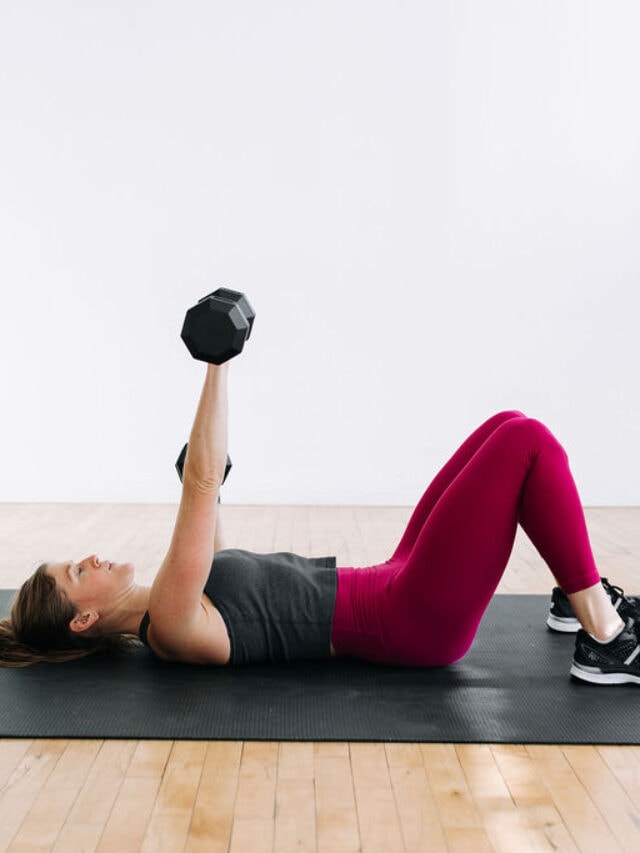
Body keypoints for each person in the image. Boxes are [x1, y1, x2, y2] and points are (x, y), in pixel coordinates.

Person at [1, 363, 639, 685]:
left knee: (504, 424)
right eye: (77, 572)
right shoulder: (166, 623)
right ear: (84, 619)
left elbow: (213, 536)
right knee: (527, 443)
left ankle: (572, 602)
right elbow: (199, 484)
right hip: (411, 619)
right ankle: (604, 639)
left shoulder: (175, 606)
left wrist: (211, 491)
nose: (90, 557)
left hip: (390, 580)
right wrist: (217, 363)